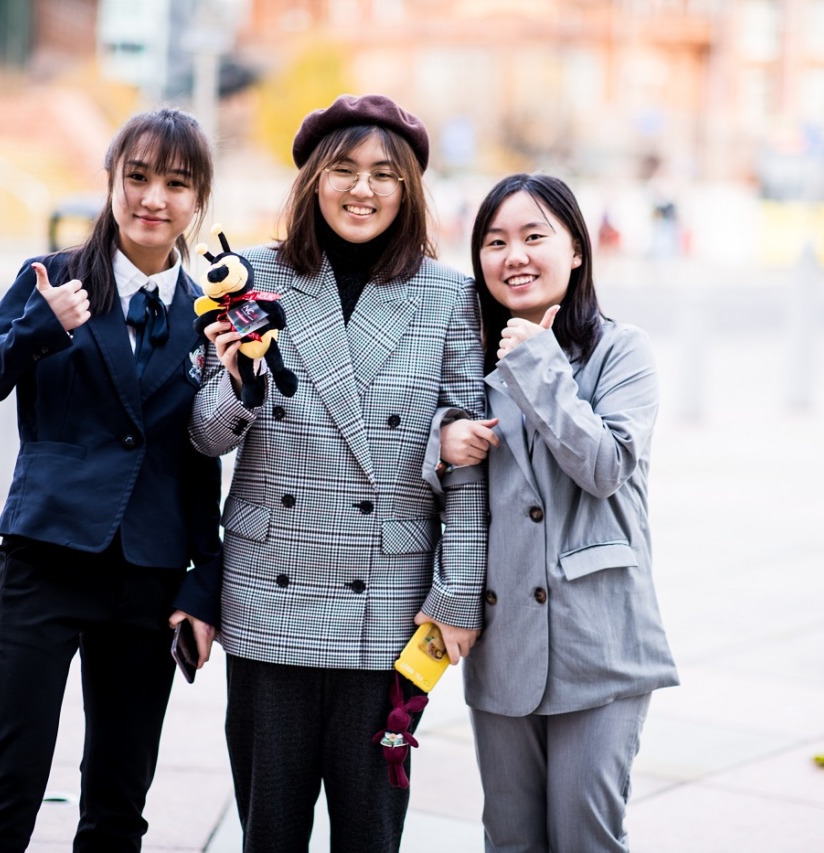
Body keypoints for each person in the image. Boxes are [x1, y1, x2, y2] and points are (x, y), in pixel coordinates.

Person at [171, 93, 488, 853]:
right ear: (313, 179)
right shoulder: (248, 274)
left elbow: (473, 464)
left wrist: (458, 594)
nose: (363, 188)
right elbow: (204, 436)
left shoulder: (450, 298)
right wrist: (239, 379)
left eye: (386, 173)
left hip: (389, 606)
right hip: (267, 595)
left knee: (371, 834)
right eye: (343, 169)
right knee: (269, 831)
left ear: (409, 189)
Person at [0, 107, 222, 852]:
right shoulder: (53, 277)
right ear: (110, 181)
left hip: (149, 578)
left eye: (176, 182)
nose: (152, 198)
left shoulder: (208, 313)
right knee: (10, 780)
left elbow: (204, 456)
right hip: (46, 558)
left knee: (119, 799)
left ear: (198, 200)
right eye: (136, 177)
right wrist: (39, 328)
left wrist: (204, 586)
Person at [441, 173, 679, 852]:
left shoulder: (620, 351)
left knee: (585, 836)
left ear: (577, 249)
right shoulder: (468, 358)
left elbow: (604, 466)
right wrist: (441, 442)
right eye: (495, 241)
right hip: (503, 638)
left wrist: (540, 360)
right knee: (510, 838)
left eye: (533, 236)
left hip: (600, 640)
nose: (513, 254)